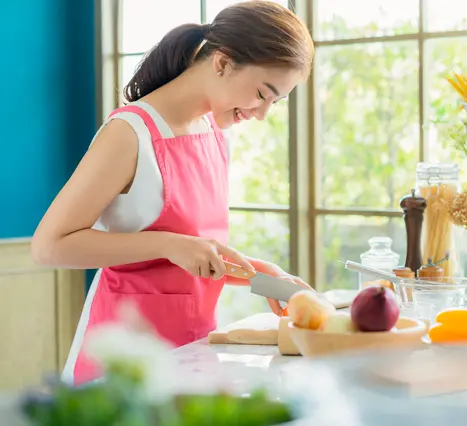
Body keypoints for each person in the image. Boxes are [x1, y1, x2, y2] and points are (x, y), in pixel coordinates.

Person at [30, 0, 314, 385]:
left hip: (190, 349)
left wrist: (260, 274)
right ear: (222, 63)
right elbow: (49, 246)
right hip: (121, 360)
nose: (262, 113)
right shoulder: (130, 134)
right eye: (262, 94)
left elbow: (191, 255)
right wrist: (167, 243)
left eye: (275, 103)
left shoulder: (213, 134)